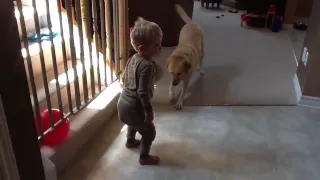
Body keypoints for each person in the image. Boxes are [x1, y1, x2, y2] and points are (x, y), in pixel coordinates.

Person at [117, 17, 162, 165]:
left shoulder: (132, 58)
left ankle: (130, 141)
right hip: (134, 107)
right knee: (149, 131)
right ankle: (144, 157)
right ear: (142, 48)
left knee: (133, 121)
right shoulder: (147, 65)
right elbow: (142, 92)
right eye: (156, 45)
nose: (160, 48)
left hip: (122, 103)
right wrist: (148, 112)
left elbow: (124, 79)